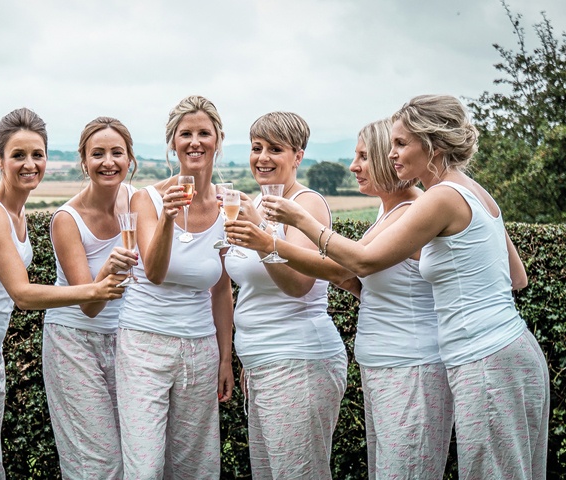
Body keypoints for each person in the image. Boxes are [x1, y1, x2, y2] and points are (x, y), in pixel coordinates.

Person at [264, 95, 548, 479]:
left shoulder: (441, 198)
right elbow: (518, 278)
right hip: (510, 348)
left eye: (400, 143)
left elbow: (365, 261)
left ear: (431, 144)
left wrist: (301, 220)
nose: (392, 153)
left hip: (484, 357)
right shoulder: (472, 190)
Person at [227, 118, 452, 479]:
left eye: (363, 156)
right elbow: (355, 279)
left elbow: (338, 270)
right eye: (256, 147)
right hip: (372, 363)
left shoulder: (411, 211)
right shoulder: (387, 210)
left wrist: (268, 240)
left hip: (402, 365)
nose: (353, 166)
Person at [0, 107, 126, 479]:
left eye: (37, 154)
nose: (29, 164)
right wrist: (93, 289)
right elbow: (22, 294)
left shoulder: (16, 211)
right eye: (18, 155)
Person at [219, 111, 346, 478]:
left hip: (299, 361)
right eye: (256, 147)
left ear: (298, 156)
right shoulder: (256, 205)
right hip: (263, 365)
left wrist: (262, 241)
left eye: (275, 149)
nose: (262, 157)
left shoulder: (306, 204)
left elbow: (297, 284)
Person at [115, 95, 234, 478]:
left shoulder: (228, 205)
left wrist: (225, 358)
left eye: (204, 132)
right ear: (173, 142)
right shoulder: (147, 198)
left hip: (200, 348)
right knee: (145, 466)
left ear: (218, 138)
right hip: (144, 345)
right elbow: (154, 271)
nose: (195, 141)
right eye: (186, 134)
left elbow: (221, 290)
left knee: (195, 467)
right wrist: (167, 218)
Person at [42, 116, 139, 479]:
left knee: (134, 457)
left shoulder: (137, 201)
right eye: (97, 154)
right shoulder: (67, 219)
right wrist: (108, 269)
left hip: (128, 341)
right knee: (96, 463)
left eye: (117, 152)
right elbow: (90, 303)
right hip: (74, 343)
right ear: (84, 161)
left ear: (130, 159)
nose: (108, 162)